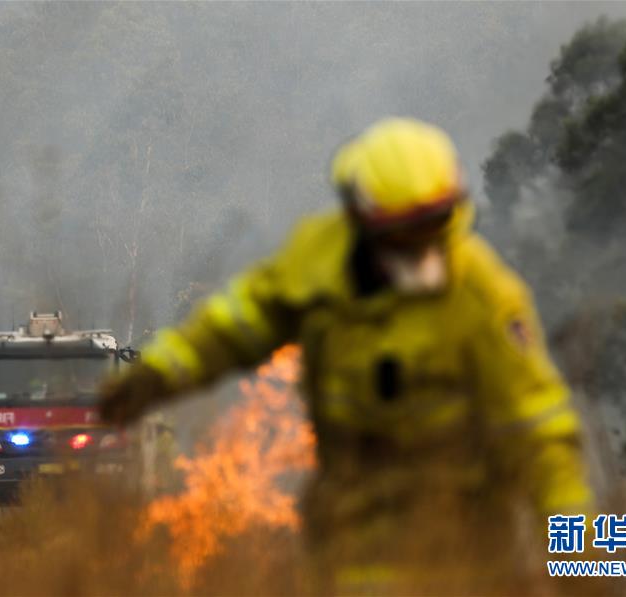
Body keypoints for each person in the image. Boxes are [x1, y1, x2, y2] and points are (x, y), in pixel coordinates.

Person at [98, 118, 594, 593]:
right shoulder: (317, 260)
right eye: (403, 234)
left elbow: (541, 434)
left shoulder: (485, 297)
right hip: (344, 556)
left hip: (459, 561)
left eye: (431, 229)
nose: (420, 252)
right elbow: (237, 322)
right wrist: (161, 372)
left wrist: (577, 556)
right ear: (361, 221)